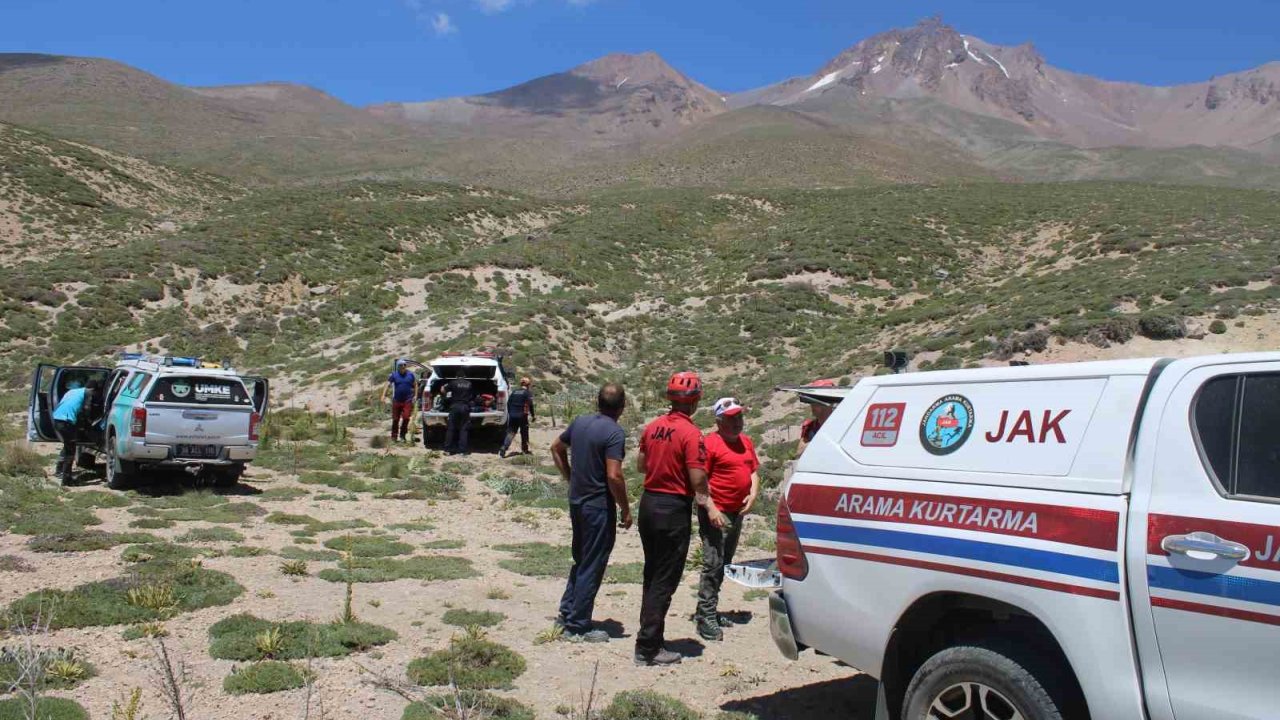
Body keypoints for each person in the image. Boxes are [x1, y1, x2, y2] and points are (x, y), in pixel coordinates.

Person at [634, 370, 727, 666]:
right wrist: (706, 501)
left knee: (652, 573)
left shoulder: (652, 427)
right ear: (695, 401)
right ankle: (648, 647)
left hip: (649, 503)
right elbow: (698, 477)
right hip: (672, 508)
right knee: (665, 577)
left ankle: (651, 636)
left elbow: (641, 465)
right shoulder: (691, 434)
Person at [549, 383, 630, 643]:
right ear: (622, 406)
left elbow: (556, 448)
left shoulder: (580, 422)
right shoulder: (614, 433)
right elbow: (614, 475)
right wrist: (625, 508)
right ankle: (577, 625)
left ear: (598, 402)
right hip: (598, 506)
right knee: (593, 563)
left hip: (577, 501)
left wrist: (570, 477)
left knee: (582, 559)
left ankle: (567, 612)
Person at [695, 397, 760, 641]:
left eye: (739, 417)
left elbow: (753, 471)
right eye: (731, 418)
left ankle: (709, 610)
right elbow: (699, 481)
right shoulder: (709, 444)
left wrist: (753, 493)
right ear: (719, 421)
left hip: (736, 512)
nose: (737, 422)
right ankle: (705, 615)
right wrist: (711, 509)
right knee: (713, 562)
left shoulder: (745, 442)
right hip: (717, 511)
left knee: (725, 561)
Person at [52, 378, 100, 487]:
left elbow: (70, 405)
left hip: (57, 418)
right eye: (94, 392)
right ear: (92, 389)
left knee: (67, 445)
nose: (93, 395)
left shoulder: (73, 391)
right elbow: (87, 409)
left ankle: (59, 470)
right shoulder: (87, 393)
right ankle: (66, 480)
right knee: (70, 451)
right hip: (66, 421)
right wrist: (90, 423)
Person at [796, 378, 837, 459]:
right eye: (811, 402)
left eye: (815, 402)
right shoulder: (810, 426)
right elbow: (799, 452)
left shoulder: (840, 425)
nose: (812, 405)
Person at [381, 360, 417, 443]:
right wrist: (383, 395)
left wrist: (415, 395)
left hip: (407, 400)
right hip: (397, 400)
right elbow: (387, 384)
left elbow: (415, 385)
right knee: (395, 419)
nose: (403, 366)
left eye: (404, 365)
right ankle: (394, 437)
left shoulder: (410, 374)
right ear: (398, 366)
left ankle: (403, 435)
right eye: (401, 365)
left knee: (406, 418)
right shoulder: (394, 375)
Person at [500, 377, 536, 458]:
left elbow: (508, 403)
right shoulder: (527, 393)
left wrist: (510, 413)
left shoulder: (514, 392)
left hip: (512, 415)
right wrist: (533, 415)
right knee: (524, 432)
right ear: (528, 385)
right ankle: (525, 450)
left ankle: (504, 447)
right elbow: (530, 405)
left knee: (511, 432)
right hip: (522, 416)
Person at [443, 375, 474, 455]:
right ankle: (462, 451)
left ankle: (447, 450)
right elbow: (472, 396)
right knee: (464, 429)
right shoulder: (469, 383)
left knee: (451, 428)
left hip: (455, 407)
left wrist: (445, 396)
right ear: (464, 376)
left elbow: (443, 390)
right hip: (465, 407)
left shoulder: (453, 382)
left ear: (456, 376)